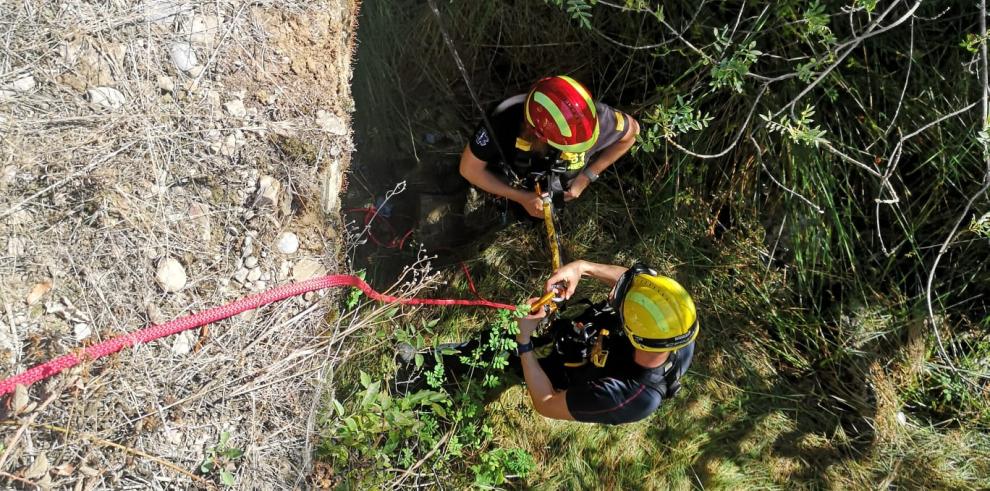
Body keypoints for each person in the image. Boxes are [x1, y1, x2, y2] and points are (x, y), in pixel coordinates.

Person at [400, 259, 698, 425]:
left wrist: (524, 340)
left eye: (619, 304)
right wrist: (582, 267)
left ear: (633, 334)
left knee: (502, 353)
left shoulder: (629, 398)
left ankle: (416, 373)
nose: (611, 296)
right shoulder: (674, 320)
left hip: (570, 376)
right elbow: (634, 282)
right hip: (589, 345)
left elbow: (545, 403)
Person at [459, 76, 640, 218]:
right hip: (517, 185)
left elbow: (633, 132)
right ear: (534, 132)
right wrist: (522, 198)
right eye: (568, 147)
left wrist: (587, 176)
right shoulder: (503, 121)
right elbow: (469, 169)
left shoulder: (596, 120)